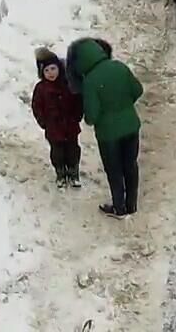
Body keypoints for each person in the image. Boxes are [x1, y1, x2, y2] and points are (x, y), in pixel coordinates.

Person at [67, 37, 143, 218]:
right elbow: (137, 90)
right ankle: (131, 204)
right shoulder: (119, 66)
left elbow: (92, 116)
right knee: (130, 165)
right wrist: (123, 106)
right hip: (132, 126)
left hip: (109, 136)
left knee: (114, 170)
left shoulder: (90, 81)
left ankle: (119, 207)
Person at [31, 48, 83, 188]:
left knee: (73, 150)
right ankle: (60, 173)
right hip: (53, 128)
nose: (51, 73)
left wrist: (77, 116)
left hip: (70, 125)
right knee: (57, 153)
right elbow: (37, 106)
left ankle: (73, 172)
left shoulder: (68, 83)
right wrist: (44, 122)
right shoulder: (41, 88)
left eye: (53, 69)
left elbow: (78, 99)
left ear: (59, 68)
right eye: (46, 71)